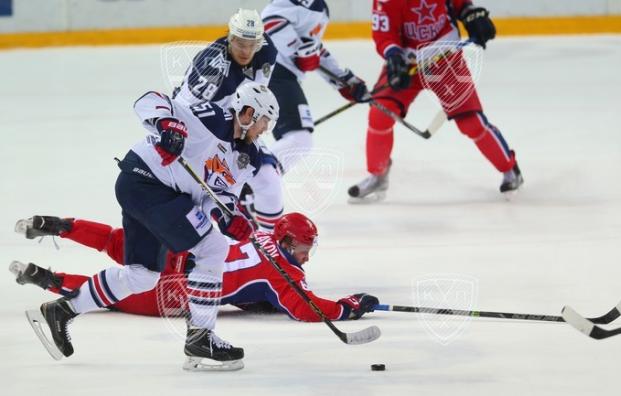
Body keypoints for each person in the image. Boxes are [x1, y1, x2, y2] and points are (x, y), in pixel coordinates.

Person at [24, 81, 279, 372]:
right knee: (212, 248)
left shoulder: (248, 158)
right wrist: (168, 124)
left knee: (142, 276)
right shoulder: (209, 118)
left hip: (157, 194)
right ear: (247, 113)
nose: (265, 129)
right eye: (263, 121)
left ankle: (62, 310)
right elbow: (148, 100)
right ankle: (201, 337)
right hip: (144, 181)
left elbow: (219, 196)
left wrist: (227, 217)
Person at [13, 213, 379, 322]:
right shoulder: (285, 273)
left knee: (114, 241)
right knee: (114, 296)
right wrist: (349, 307)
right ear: (285, 243)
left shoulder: (261, 237)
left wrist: (251, 300)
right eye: (301, 248)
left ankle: (59, 225)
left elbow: (246, 275)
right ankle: (46, 279)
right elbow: (306, 309)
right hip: (185, 291)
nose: (305, 256)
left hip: (182, 250)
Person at [348, 0, 523, 200]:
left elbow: (461, 5)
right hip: (407, 65)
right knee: (380, 114)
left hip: (446, 59)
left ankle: (510, 169)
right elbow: (383, 35)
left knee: (471, 123)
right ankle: (378, 175)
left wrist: (473, 16)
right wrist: (394, 56)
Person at [253, 0, 369, 220]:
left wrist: (345, 81)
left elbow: (314, 49)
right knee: (298, 139)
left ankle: (252, 185)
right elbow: (269, 22)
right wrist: (298, 50)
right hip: (274, 72)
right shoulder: (297, 2)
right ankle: (254, 185)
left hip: (280, 74)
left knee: (296, 140)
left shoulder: (319, 8)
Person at [172, 8, 283, 231]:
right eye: (240, 43)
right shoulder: (211, 68)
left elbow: (256, 94)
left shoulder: (267, 50)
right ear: (230, 37)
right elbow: (181, 111)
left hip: (239, 122)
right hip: (204, 130)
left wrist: (246, 131)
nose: (246, 50)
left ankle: (271, 243)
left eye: (252, 45)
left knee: (269, 179)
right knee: (201, 200)